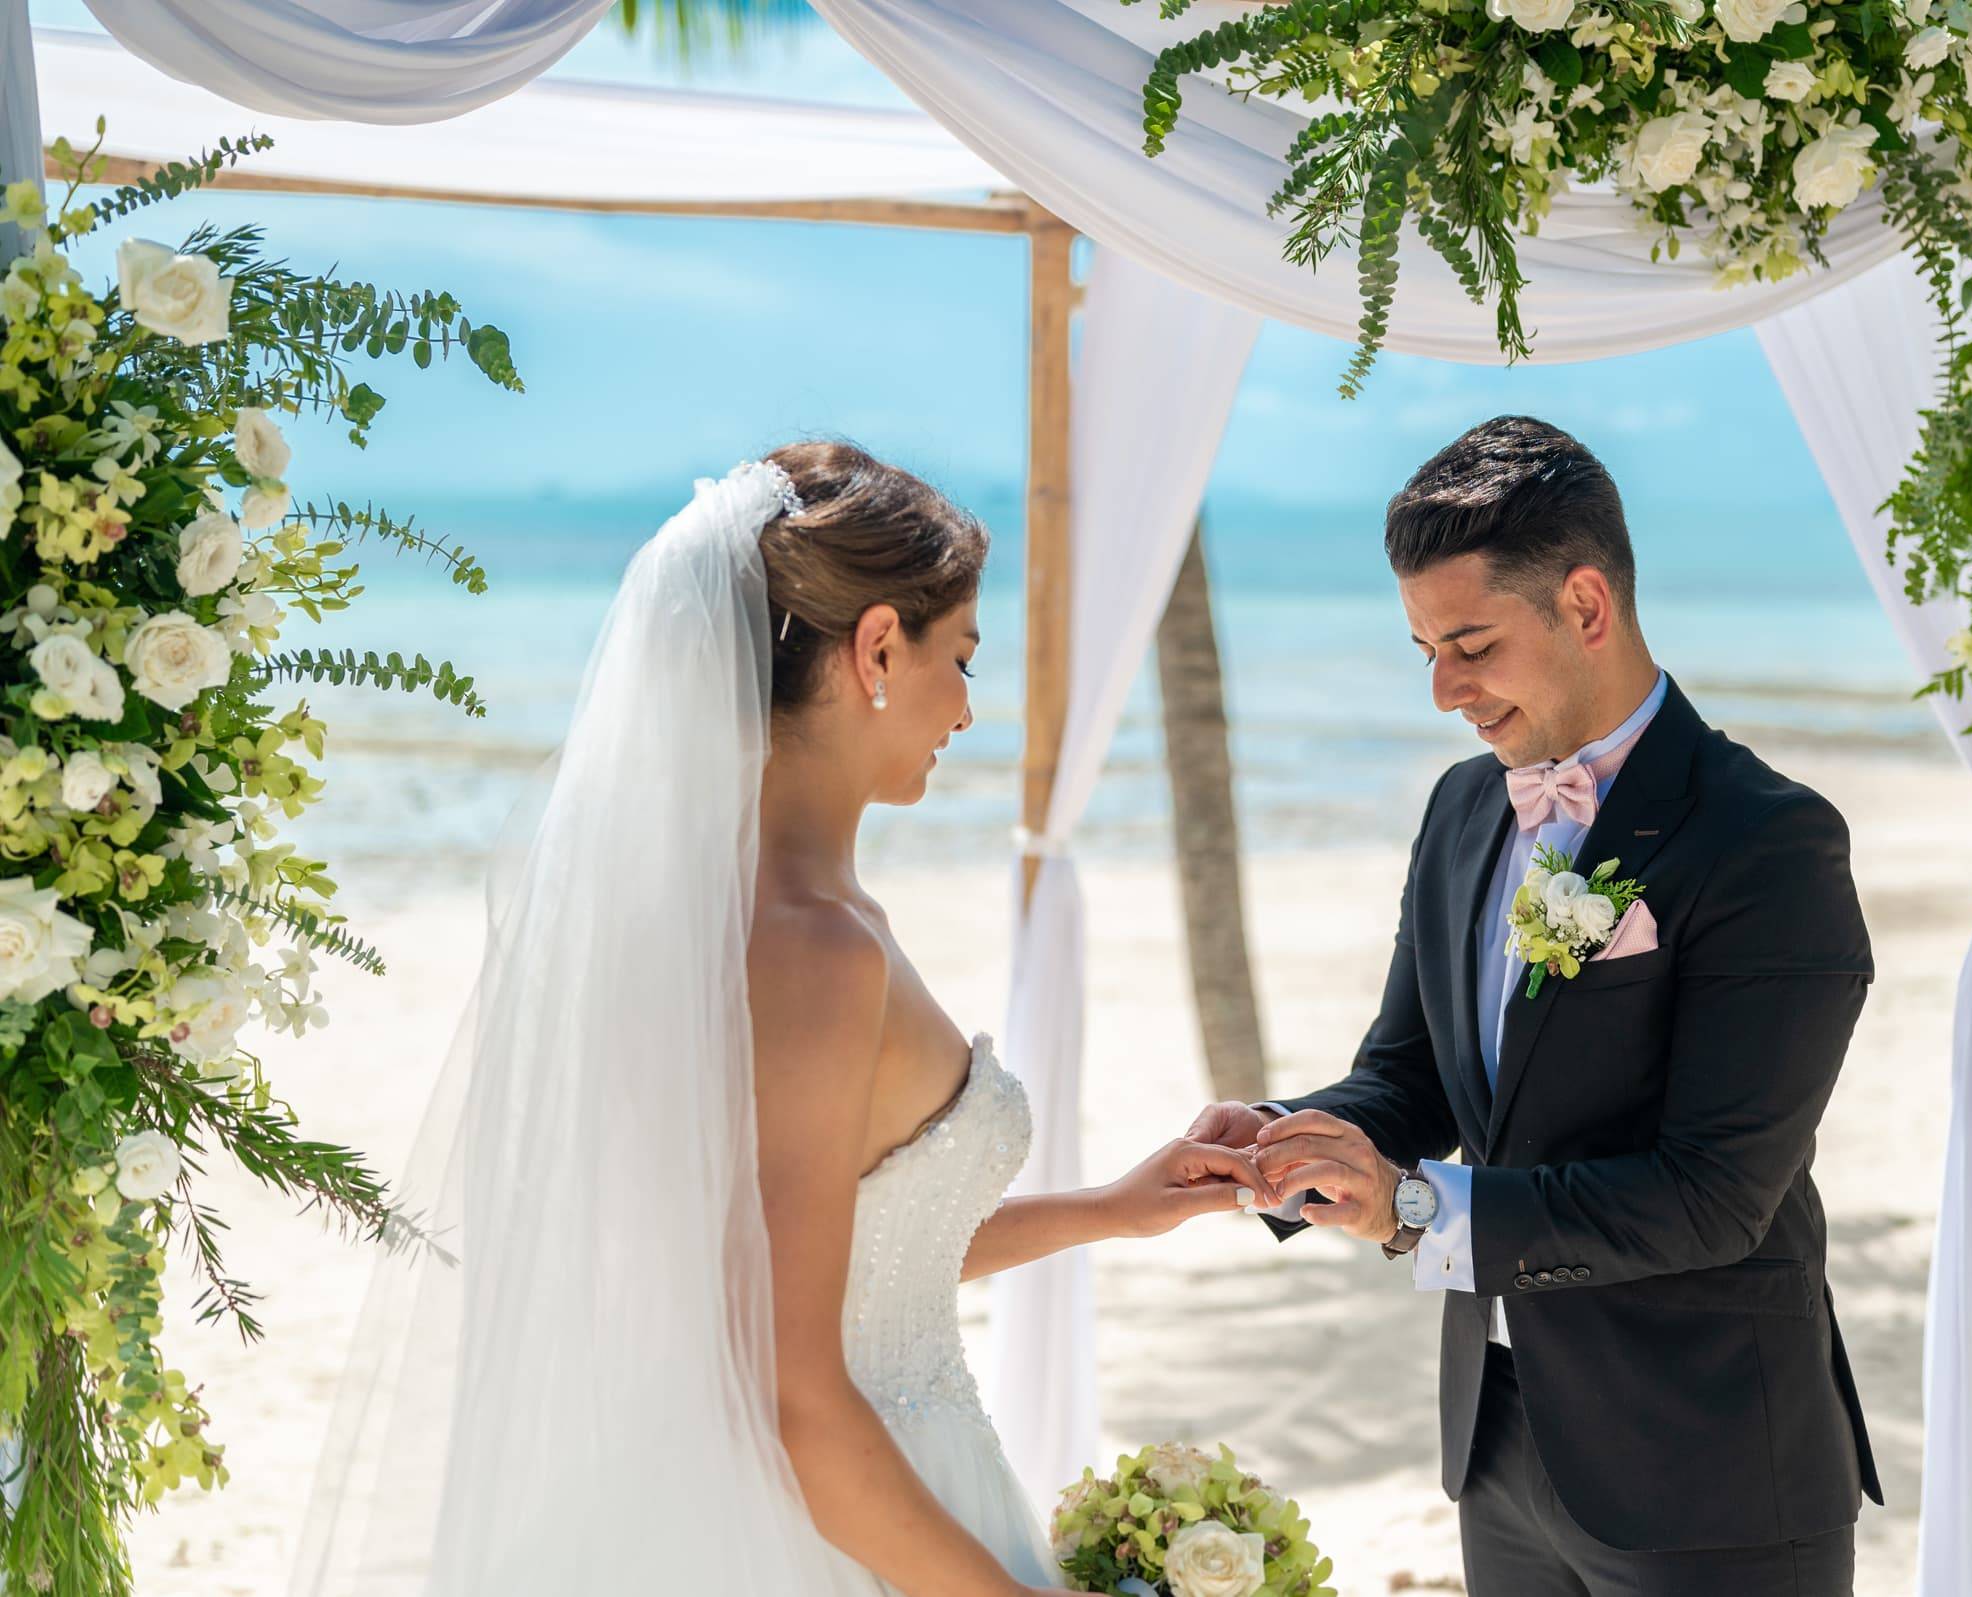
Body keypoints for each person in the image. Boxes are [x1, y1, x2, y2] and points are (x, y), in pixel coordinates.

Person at [293, 442, 1262, 1597]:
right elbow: (794, 1395)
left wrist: (1113, 1208)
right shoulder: (812, 947)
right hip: (840, 1526)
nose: (967, 706)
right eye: (961, 656)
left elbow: (831, 1256)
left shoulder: (737, 918)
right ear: (879, 647)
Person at [1191, 416, 1883, 1597]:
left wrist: (1414, 1207)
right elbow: (1412, 1075)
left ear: (1586, 603)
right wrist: (1288, 1140)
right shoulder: (1462, 809)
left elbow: (1714, 1196)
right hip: (1499, 1441)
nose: (1443, 690)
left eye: (1470, 645)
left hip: (1707, 1466)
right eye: (1424, 649)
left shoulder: (1769, 841)